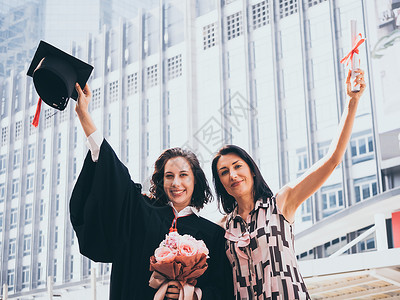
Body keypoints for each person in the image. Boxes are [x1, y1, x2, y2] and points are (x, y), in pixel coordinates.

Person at [211, 69, 366, 299]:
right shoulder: (223, 227)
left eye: (237, 166)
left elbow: (332, 161)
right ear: (221, 183)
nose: (232, 175)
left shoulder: (282, 203)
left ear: (251, 170)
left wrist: (352, 102)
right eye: (224, 172)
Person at [69, 83, 233, 299]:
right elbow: (112, 171)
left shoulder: (213, 235)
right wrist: (84, 115)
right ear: (160, 181)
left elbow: (225, 291)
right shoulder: (139, 212)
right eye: (169, 176)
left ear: (196, 181)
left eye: (184, 175)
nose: (176, 183)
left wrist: (194, 294)